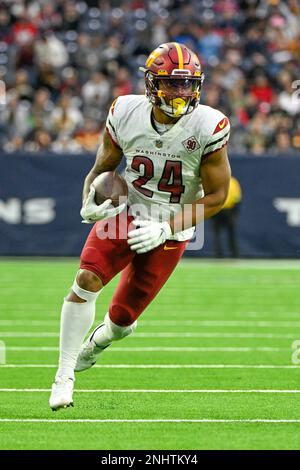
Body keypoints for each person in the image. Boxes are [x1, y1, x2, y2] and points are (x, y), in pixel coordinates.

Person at [49, 42, 231, 410]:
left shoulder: (209, 125)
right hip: (128, 211)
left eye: (187, 84)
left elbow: (217, 195)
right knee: (86, 279)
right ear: (151, 83)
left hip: (171, 225)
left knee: (121, 319)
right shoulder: (125, 111)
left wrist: (166, 229)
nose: (181, 93)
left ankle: (101, 339)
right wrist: (89, 199)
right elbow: (104, 168)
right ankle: (63, 375)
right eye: (171, 84)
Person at [211, 176, 242, 258]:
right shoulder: (216, 180)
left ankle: (234, 253)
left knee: (231, 233)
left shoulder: (233, 182)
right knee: (217, 234)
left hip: (228, 210)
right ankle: (218, 254)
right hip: (217, 210)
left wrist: (234, 212)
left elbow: (237, 198)